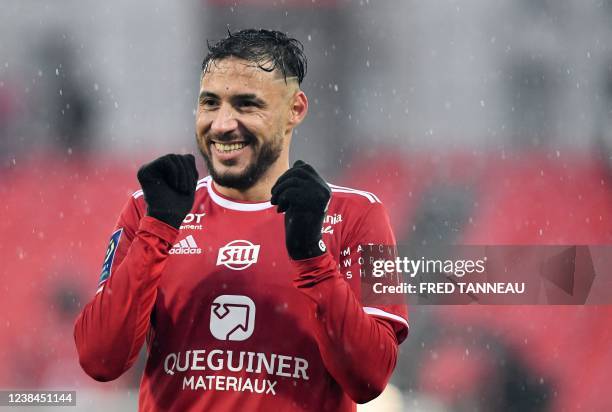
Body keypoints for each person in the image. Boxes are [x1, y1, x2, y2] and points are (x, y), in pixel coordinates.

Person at [74, 29, 408, 411]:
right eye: (210, 103)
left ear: (295, 110)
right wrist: (158, 229)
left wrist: (312, 258)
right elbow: (99, 359)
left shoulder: (359, 214)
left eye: (246, 104)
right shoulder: (150, 209)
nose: (221, 124)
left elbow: (370, 377)